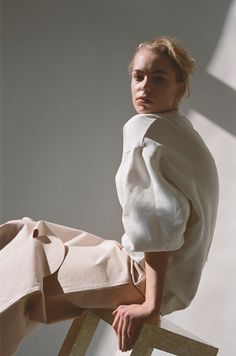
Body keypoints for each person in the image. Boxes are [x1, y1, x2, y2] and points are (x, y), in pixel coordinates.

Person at [0, 37, 219, 355]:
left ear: (181, 87)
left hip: (145, 277)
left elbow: (160, 229)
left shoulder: (144, 132)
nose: (145, 87)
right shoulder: (179, 130)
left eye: (159, 78)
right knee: (26, 231)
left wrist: (149, 305)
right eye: (138, 77)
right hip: (163, 275)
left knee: (26, 265)